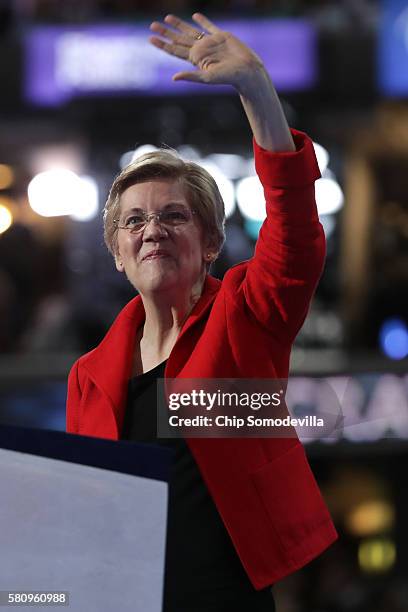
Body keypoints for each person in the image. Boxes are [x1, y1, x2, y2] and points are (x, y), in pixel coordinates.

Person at [66, 12, 337, 612]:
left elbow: (293, 230)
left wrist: (258, 92)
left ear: (211, 242)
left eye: (174, 216)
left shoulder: (246, 314)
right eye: (134, 221)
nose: (152, 230)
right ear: (117, 253)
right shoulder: (88, 374)